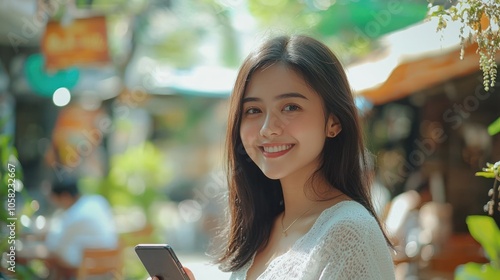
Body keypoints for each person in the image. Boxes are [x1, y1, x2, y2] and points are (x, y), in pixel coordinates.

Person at [152, 34, 395, 279]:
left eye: (290, 107)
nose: (267, 128)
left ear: (334, 121)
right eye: (254, 110)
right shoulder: (264, 228)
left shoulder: (349, 233)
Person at [44, 175, 118, 279]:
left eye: (56, 201)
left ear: (65, 197)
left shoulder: (74, 215)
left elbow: (53, 245)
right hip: (109, 268)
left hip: (85, 272)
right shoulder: (98, 202)